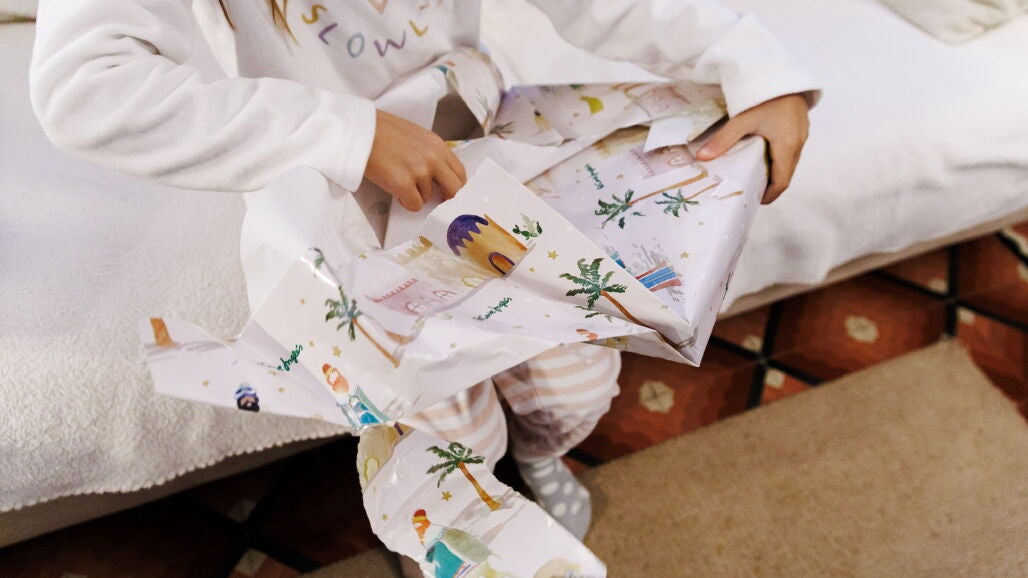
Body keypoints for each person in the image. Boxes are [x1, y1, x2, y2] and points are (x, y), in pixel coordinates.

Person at [30, 0, 818, 554]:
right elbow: (85, 87)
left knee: (573, 390)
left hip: (480, 153)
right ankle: (463, 504)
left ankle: (537, 456)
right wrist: (352, 133)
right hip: (339, 207)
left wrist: (754, 67)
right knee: (447, 439)